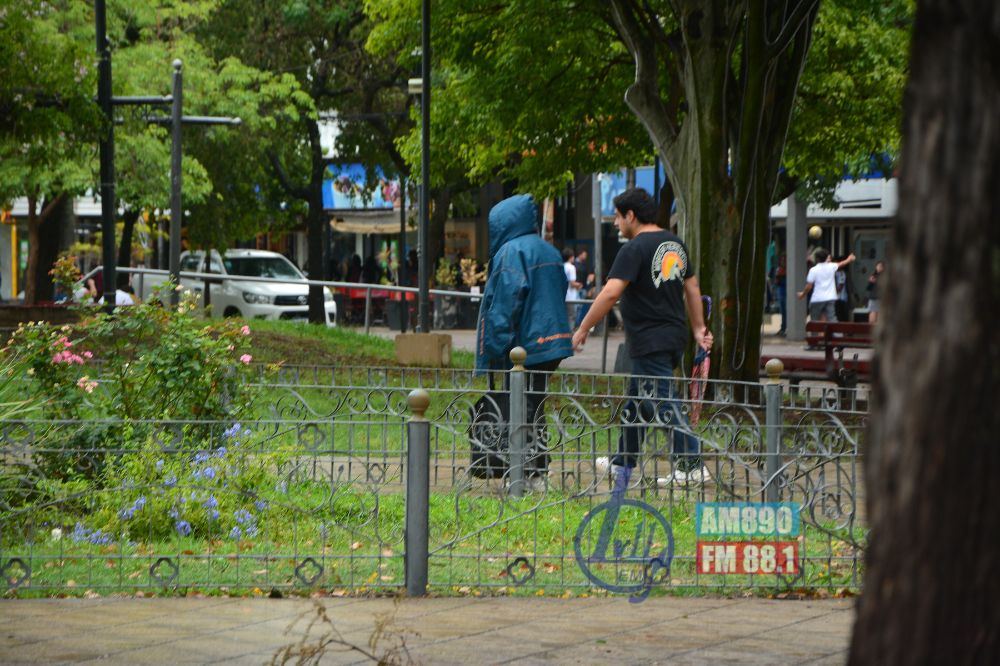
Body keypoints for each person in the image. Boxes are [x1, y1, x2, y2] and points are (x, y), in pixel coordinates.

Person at [572, 187, 713, 487]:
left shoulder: (633, 249)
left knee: (663, 402)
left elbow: (610, 293)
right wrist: (699, 328)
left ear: (631, 215)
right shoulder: (675, 244)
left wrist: (583, 328)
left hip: (650, 340)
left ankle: (691, 465)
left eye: (617, 217)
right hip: (673, 336)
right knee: (637, 402)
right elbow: (692, 288)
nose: (615, 224)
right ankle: (622, 460)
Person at [475, 194, 574, 491]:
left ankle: (523, 473)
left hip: (521, 347)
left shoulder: (510, 252)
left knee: (518, 405)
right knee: (535, 402)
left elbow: (505, 304)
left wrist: (494, 347)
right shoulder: (550, 251)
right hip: (552, 343)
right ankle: (536, 469)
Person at [797, 248, 855, 322]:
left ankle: (817, 333)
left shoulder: (813, 270)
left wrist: (803, 294)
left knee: (815, 321)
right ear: (826, 257)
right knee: (831, 318)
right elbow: (842, 263)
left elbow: (809, 286)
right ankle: (836, 333)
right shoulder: (831, 266)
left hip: (817, 299)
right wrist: (849, 259)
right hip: (830, 298)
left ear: (817, 259)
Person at [562, 247, 581, 328]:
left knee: (564, 316)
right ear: (571, 257)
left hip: (563, 296)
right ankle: (569, 336)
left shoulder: (562, 266)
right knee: (572, 316)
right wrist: (579, 285)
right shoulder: (571, 267)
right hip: (570, 296)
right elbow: (572, 283)